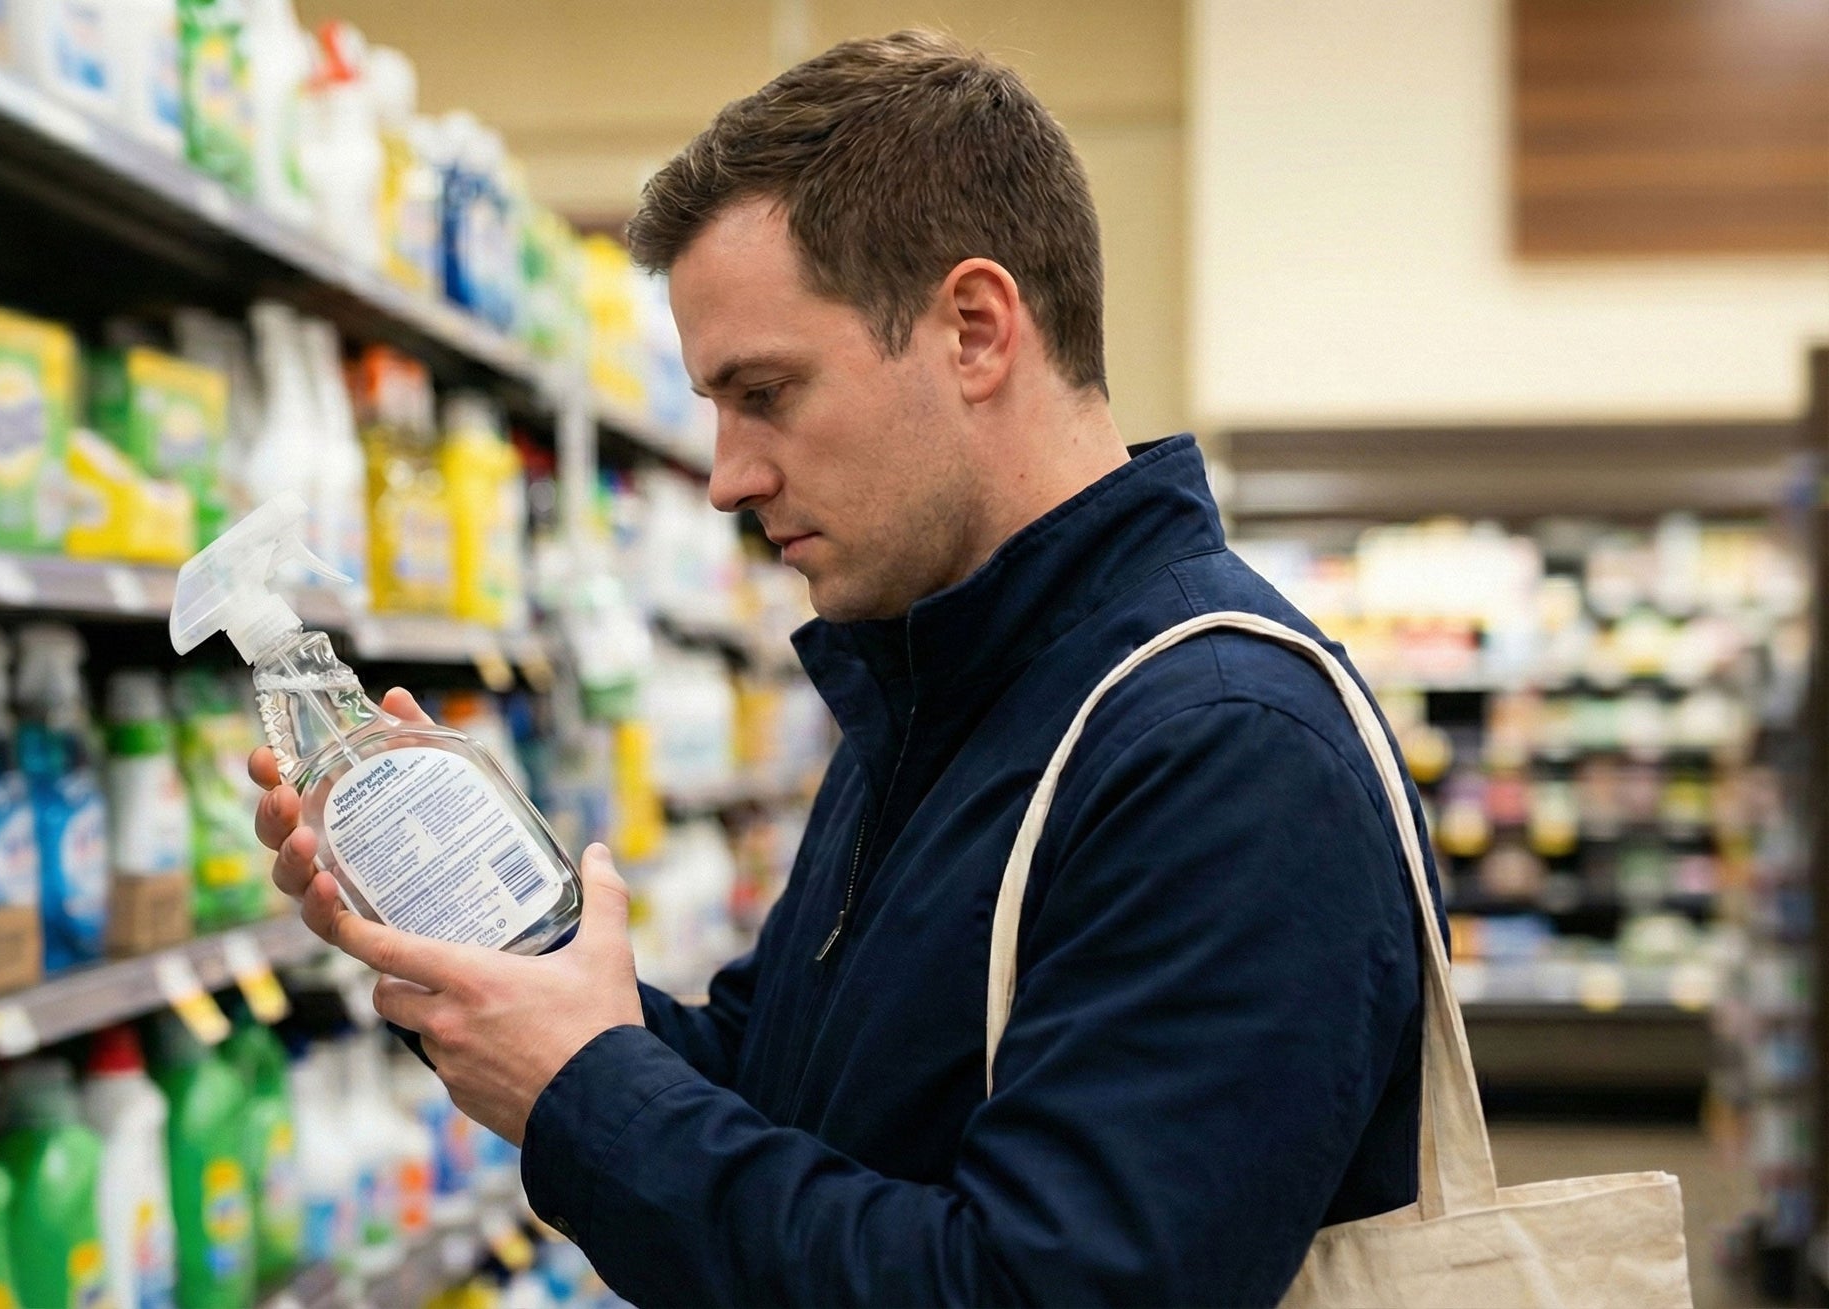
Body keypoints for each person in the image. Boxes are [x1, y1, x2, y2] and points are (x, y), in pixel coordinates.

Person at [251, 30, 1434, 1307]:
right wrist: (492, 972)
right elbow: (785, 1093)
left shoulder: (1223, 746)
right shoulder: (944, 692)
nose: (725, 477)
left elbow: (1036, 1290)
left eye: (765, 393)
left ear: (975, 331)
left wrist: (584, 1089)